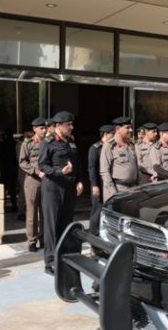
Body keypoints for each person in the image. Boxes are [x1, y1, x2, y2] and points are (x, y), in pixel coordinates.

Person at [38, 111, 84, 276]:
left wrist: (79, 180)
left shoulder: (71, 142)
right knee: (51, 226)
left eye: (72, 124)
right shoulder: (48, 142)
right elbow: (43, 165)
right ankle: (50, 262)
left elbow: (78, 163)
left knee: (65, 224)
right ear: (58, 126)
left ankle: (62, 256)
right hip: (53, 188)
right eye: (68, 125)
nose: (72, 127)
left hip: (69, 188)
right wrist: (60, 171)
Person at [18, 118, 48, 252]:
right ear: (34, 129)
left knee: (45, 212)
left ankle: (44, 239)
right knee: (32, 212)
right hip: (33, 180)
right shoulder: (28, 144)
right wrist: (36, 172)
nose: (44, 130)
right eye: (41, 128)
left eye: (45, 128)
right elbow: (22, 162)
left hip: (47, 180)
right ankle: (32, 241)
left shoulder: (48, 143)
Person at [100, 116, 138, 203]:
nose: (131, 130)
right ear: (118, 129)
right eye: (127, 127)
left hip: (133, 189)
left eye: (131, 127)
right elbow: (104, 172)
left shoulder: (131, 144)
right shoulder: (109, 146)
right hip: (118, 189)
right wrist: (113, 192)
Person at [88, 124, 115, 234]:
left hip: (109, 182)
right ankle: (94, 233)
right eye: (112, 134)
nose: (114, 136)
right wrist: (94, 185)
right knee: (97, 209)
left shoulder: (112, 147)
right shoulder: (95, 148)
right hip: (99, 182)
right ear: (105, 134)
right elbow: (92, 168)